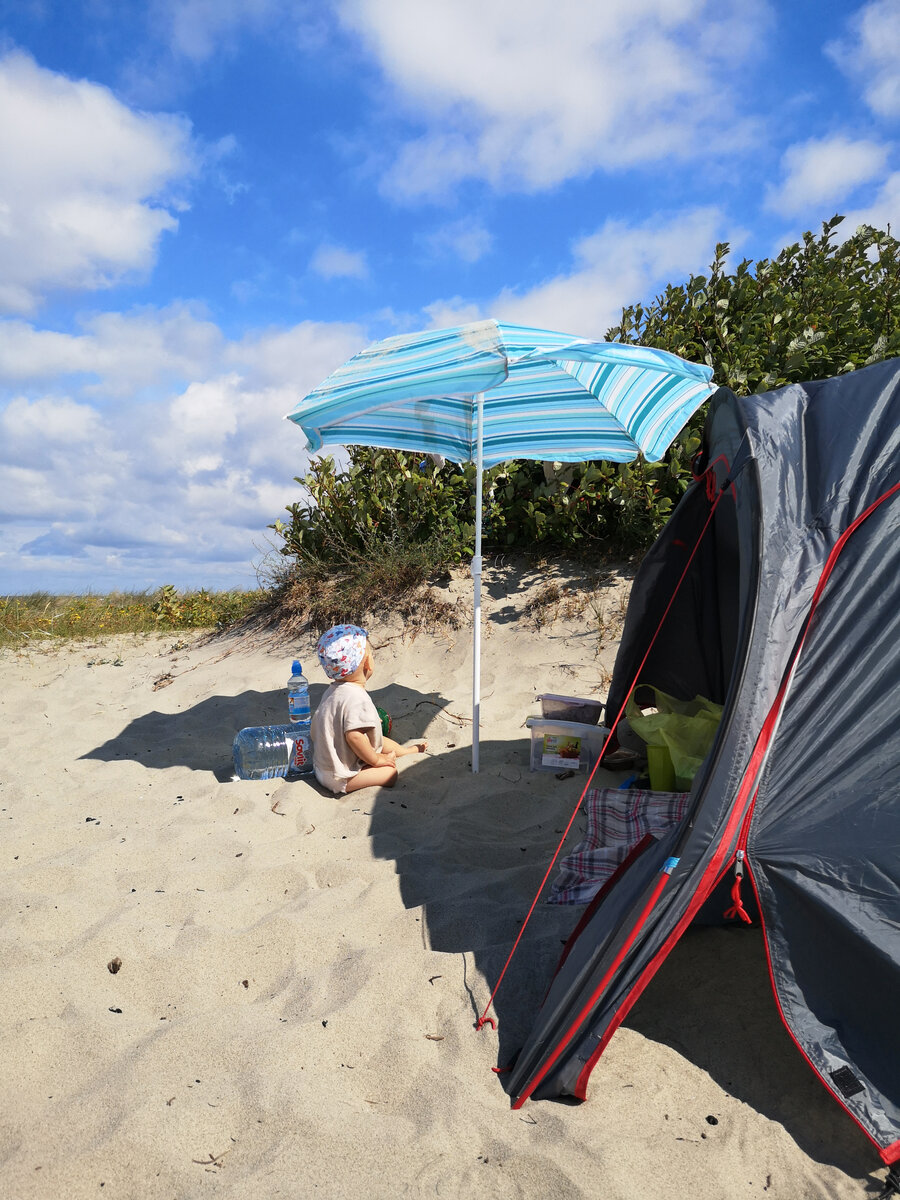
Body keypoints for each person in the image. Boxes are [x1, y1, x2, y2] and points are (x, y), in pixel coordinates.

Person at [311, 624, 427, 794]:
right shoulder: (357, 697)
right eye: (370, 654)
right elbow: (354, 737)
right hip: (338, 777)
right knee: (390, 773)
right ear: (367, 664)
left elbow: (323, 727)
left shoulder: (331, 691)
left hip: (321, 766)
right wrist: (377, 760)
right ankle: (380, 760)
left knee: (379, 739)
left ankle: (405, 751)